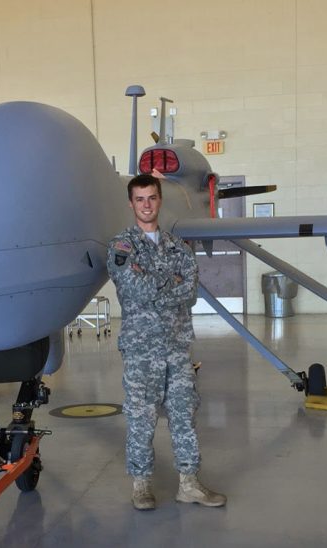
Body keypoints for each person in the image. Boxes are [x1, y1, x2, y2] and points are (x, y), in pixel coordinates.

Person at [107, 173, 226, 511]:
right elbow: (133, 288)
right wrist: (167, 283)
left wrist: (154, 284)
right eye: (140, 199)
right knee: (141, 419)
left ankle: (189, 484)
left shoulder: (178, 247)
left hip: (176, 348)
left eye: (152, 198)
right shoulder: (121, 246)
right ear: (131, 204)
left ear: (160, 200)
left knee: (184, 416)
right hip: (141, 350)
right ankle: (141, 486)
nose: (146, 205)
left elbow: (188, 293)